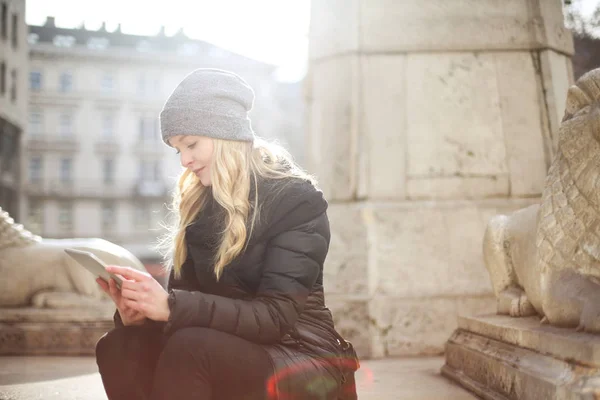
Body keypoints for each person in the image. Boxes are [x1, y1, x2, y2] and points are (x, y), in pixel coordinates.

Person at [95, 68, 360, 400]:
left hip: (302, 359)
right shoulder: (199, 206)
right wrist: (141, 316)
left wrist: (172, 307)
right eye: (178, 150)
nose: (185, 161)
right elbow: (187, 308)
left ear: (226, 135)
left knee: (191, 349)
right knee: (119, 347)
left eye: (191, 144)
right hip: (227, 351)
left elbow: (275, 316)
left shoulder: (296, 201)